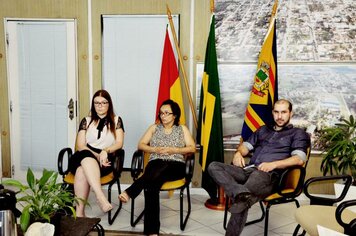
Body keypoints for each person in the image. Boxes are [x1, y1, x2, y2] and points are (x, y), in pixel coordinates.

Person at [208, 99, 310, 236]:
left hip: (270, 176)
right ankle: (240, 192)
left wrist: (273, 164)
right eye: (276, 112)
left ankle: (241, 196)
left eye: (284, 112)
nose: (279, 116)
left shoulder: (298, 134)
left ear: (290, 114)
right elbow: (245, 147)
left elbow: (299, 159)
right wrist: (238, 153)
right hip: (248, 170)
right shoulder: (263, 130)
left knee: (242, 200)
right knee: (214, 166)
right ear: (272, 113)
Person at [119, 99, 195, 236]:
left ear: (175, 115)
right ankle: (152, 232)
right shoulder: (154, 128)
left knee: (161, 166)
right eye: (161, 113)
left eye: (167, 113)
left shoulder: (182, 129)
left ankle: (130, 191)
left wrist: (174, 150)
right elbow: (141, 145)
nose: (163, 116)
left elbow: (192, 148)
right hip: (155, 165)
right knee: (151, 185)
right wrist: (154, 149)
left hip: (176, 166)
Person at [69, 89, 125, 217]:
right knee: (84, 155)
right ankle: (100, 196)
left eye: (104, 103)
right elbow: (81, 145)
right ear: (93, 105)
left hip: (105, 161)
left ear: (109, 104)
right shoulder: (86, 120)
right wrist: (97, 155)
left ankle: (79, 213)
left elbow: (119, 143)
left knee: (81, 171)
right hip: (84, 155)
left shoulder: (117, 120)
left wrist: (105, 151)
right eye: (97, 103)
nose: (100, 106)